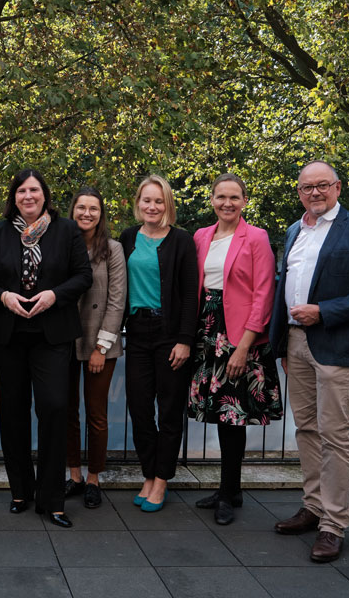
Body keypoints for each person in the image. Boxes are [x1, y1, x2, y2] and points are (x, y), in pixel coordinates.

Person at [268, 160, 349, 562]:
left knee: (335, 436)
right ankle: (313, 506)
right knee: (306, 429)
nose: (315, 193)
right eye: (307, 187)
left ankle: (333, 524)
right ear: (299, 191)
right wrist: (282, 345)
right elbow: (282, 289)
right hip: (296, 343)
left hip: (336, 346)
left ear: (338, 187)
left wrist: (324, 310)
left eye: (323, 185)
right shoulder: (293, 231)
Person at [0, 169, 92, 528]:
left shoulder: (66, 230)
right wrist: (3, 296)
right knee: (13, 413)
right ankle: (20, 491)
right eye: (22, 190)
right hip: (9, 334)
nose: (29, 196)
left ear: (45, 195)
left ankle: (52, 498)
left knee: (55, 409)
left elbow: (83, 276)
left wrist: (55, 295)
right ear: (14, 196)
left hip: (52, 334)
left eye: (35, 190)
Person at [189, 173, 282, 525]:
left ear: (244, 201)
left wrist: (243, 346)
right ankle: (231, 487)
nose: (227, 203)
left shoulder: (256, 237)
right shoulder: (201, 236)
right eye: (220, 196)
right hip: (208, 329)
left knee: (233, 414)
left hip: (240, 335)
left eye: (234, 197)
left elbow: (264, 294)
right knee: (218, 411)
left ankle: (229, 493)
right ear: (211, 200)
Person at [119, 174, 198, 513]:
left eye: (158, 201)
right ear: (138, 203)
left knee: (168, 411)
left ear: (168, 205)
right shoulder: (127, 238)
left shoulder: (181, 240)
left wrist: (184, 340)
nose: (152, 206)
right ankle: (148, 473)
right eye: (146, 200)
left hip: (169, 334)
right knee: (139, 409)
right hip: (137, 332)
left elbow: (190, 293)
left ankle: (161, 480)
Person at [64, 188, 126, 509]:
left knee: (96, 414)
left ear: (101, 214)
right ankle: (74, 474)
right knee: (67, 412)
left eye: (94, 209)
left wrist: (102, 346)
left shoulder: (112, 249)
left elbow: (117, 300)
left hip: (99, 342)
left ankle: (93, 478)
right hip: (65, 341)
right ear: (72, 210)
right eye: (81, 208)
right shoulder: (62, 244)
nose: (87, 214)